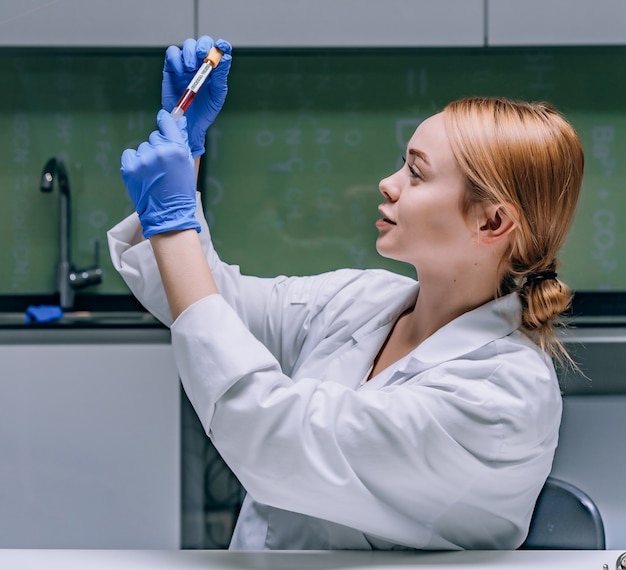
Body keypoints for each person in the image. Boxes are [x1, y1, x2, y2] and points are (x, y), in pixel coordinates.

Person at [108, 36, 584, 550]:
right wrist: (191, 155)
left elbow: (272, 436)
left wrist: (175, 223)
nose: (388, 182)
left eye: (417, 174)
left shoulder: (501, 396)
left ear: (492, 221)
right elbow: (209, 304)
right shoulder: (363, 301)